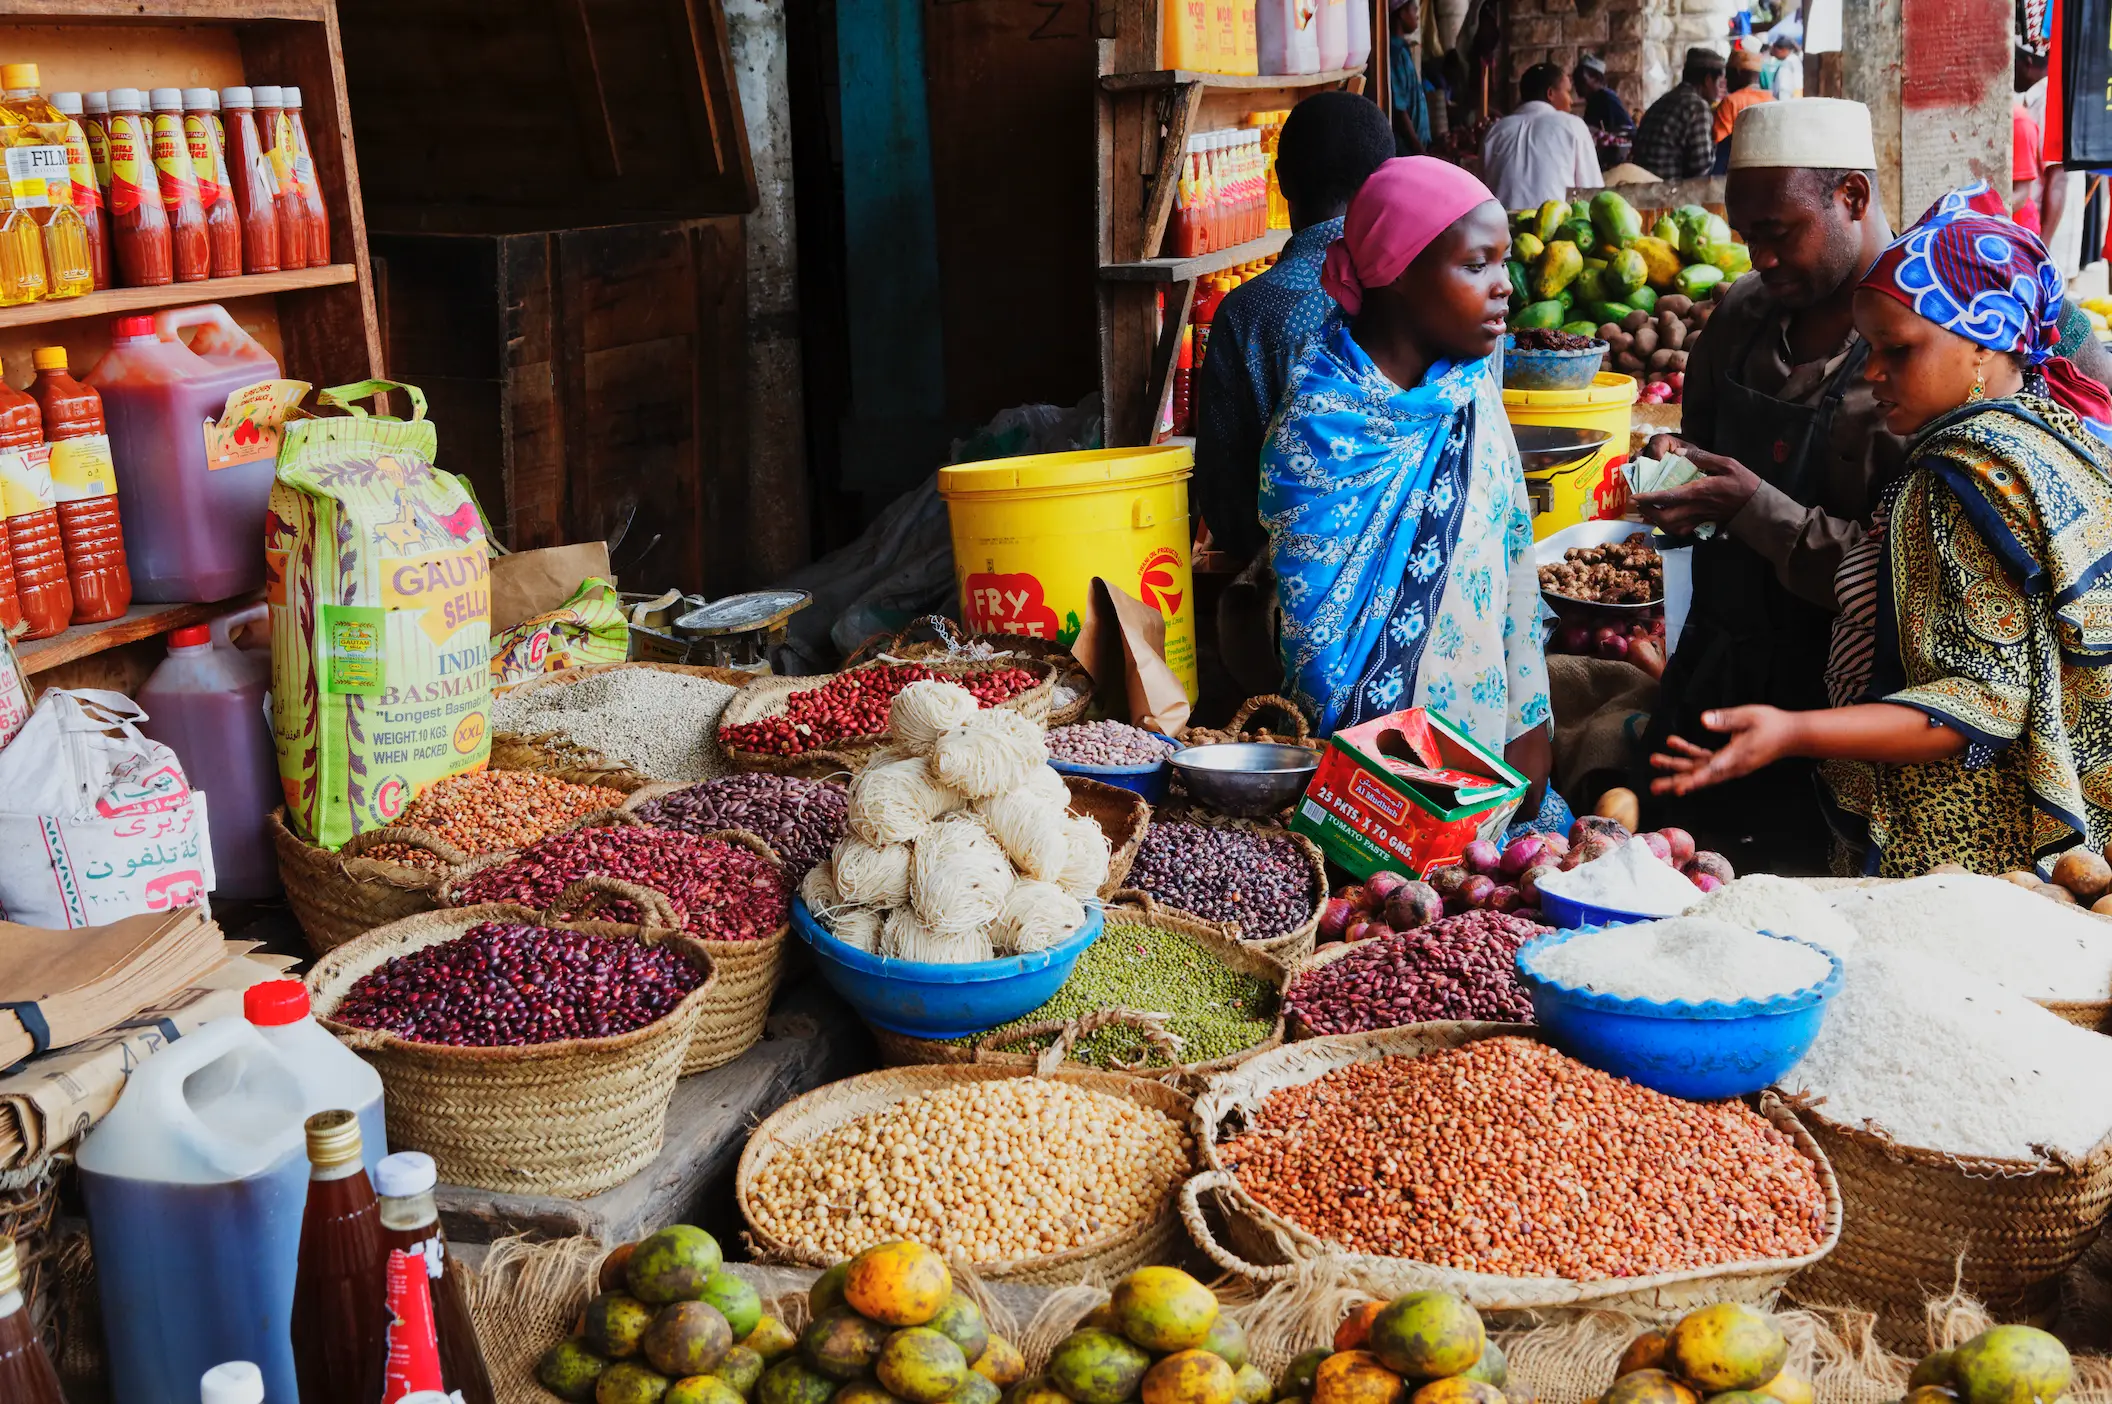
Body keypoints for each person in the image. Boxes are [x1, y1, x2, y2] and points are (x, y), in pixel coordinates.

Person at [1652, 190, 2112, 876]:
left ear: (1983, 344)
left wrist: (1791, 732)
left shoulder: (1959, 480)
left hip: (1957, 845)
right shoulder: (2055, 436)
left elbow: (1976, 705)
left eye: (1898, 351)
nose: (1872, 372)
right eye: (1869, 348)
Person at [1261, 157, 1553, 814]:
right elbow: (1316, 643)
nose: (1504, 286)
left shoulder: (1469, 390)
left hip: (1484, 747)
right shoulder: (1321, 428)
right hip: (1359, 781)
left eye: (1504, 264)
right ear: (1396, 273)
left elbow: (1512, 556)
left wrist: (1528, 723)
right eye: (1477, 265)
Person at [1193, 92, 1394, 567]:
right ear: (1387, 181)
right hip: (1425, 576)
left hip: (1293, 588)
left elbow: (1224, 495)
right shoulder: (1425, 286)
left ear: (1280, 181)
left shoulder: (1246, 312)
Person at [1480, 63, 1601, 211]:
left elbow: (1481, 196)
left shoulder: (1495, 131)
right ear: (1550, 94)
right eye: (1567, 92)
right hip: (1555, 230)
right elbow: (1591, 194)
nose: (1571, 101)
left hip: (1502, 229)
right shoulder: (1573, 126)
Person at [1630, 48, 1726, 181]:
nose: (1719, 90)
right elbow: (1701, 168)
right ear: (1708, 80)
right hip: (1669, 192)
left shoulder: (1663, 100)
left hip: (1640, 185)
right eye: (1719, 83)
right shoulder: (1697, 107)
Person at [1712, 49, 1771, 174]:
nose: (1726, 80)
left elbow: (1720, 147)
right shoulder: (1773, 100)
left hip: (1738, 175)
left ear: (1737, 73)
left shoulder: (1731, 102)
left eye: (1727, 74)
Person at [1388, 0, 1431, 155]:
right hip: (1408, 150)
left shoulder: (1403, 50)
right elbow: (1400, 110)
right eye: (1414, 10)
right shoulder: (1395, 53)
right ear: (1402, 13)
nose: (1417, 16)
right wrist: (1418, 149)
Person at [1574, 53, 1633, 138]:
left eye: (1581, 80)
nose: (1577, 85)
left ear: (1596, 78)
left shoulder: (1606, 99)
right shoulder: (1593, 101)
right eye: (1576, 81)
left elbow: (1623, 132)